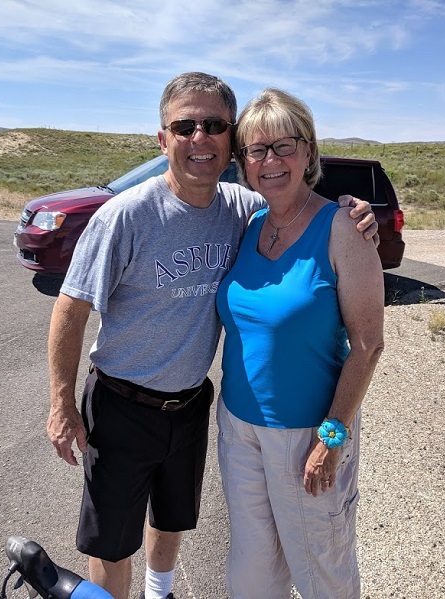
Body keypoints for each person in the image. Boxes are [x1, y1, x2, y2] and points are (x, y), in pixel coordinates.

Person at [46, 72, 376, 599]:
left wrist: (355, 213)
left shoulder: (244, 211)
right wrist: (62, 404)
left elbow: (365, 338)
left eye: (215, 125)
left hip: (197, 406)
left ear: (229, 144)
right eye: (185, 125)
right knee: (113, 541)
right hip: (127, 404)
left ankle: (161, 593)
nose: (200, 137)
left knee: (178, 517)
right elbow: (70, 308)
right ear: (163, 138)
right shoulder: (128, 215)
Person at [215, 88, 385, 598]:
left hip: (307, 435)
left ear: (309, 151)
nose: (270, 161)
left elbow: (369, 345)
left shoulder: (344, 228)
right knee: (252, 572)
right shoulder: (250, 224)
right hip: (239, 429)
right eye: (255, 150)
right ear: (243, 162)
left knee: (322, 574)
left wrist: (331, 438)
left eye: (284, 146)